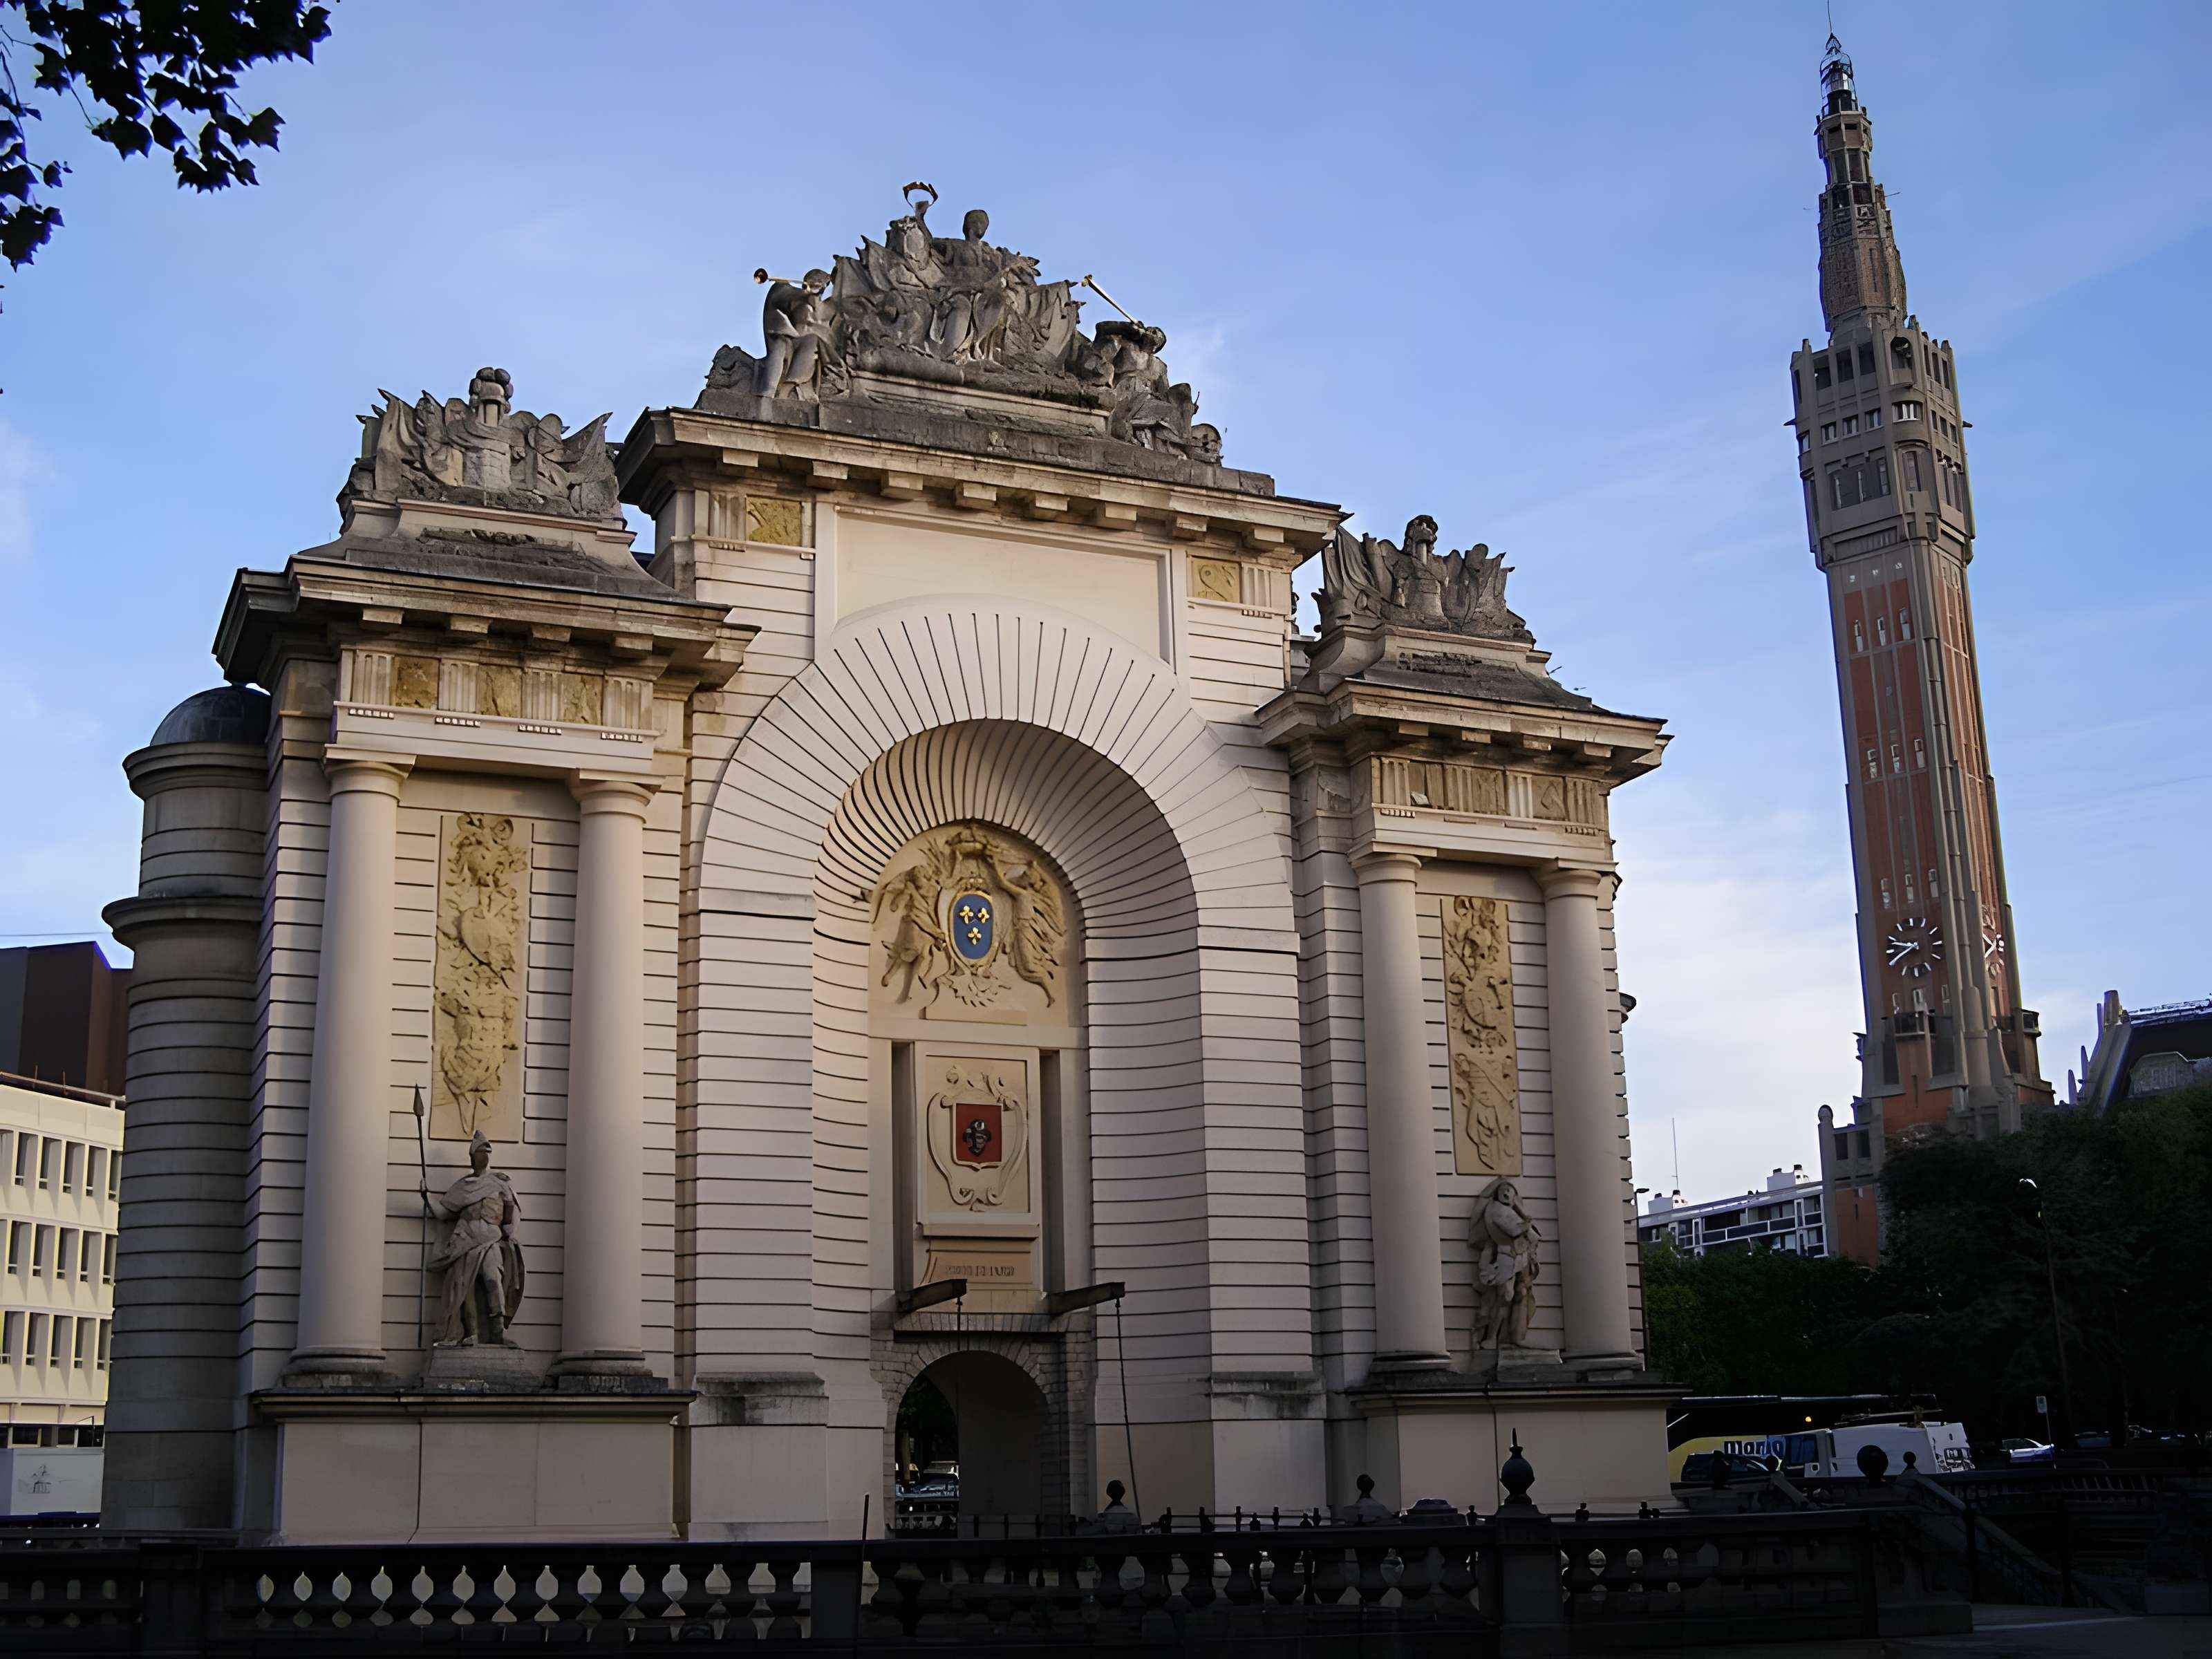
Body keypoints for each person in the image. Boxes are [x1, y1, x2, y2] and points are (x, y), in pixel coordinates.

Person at [423, 1130, 524, 1347]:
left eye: (486, 1151)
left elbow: (509, 1218)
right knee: (464, 1287)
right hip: (465, 1242)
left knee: (493, 1280)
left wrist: (509, 1232)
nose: (483, 1155)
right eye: (479, 1152)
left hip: (490, 1241)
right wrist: (427, 1197)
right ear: (472, 1156)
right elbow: (442, 1214)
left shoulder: (500, 1184)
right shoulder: (463, 1187)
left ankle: (498, 1332)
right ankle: (471, 1333)